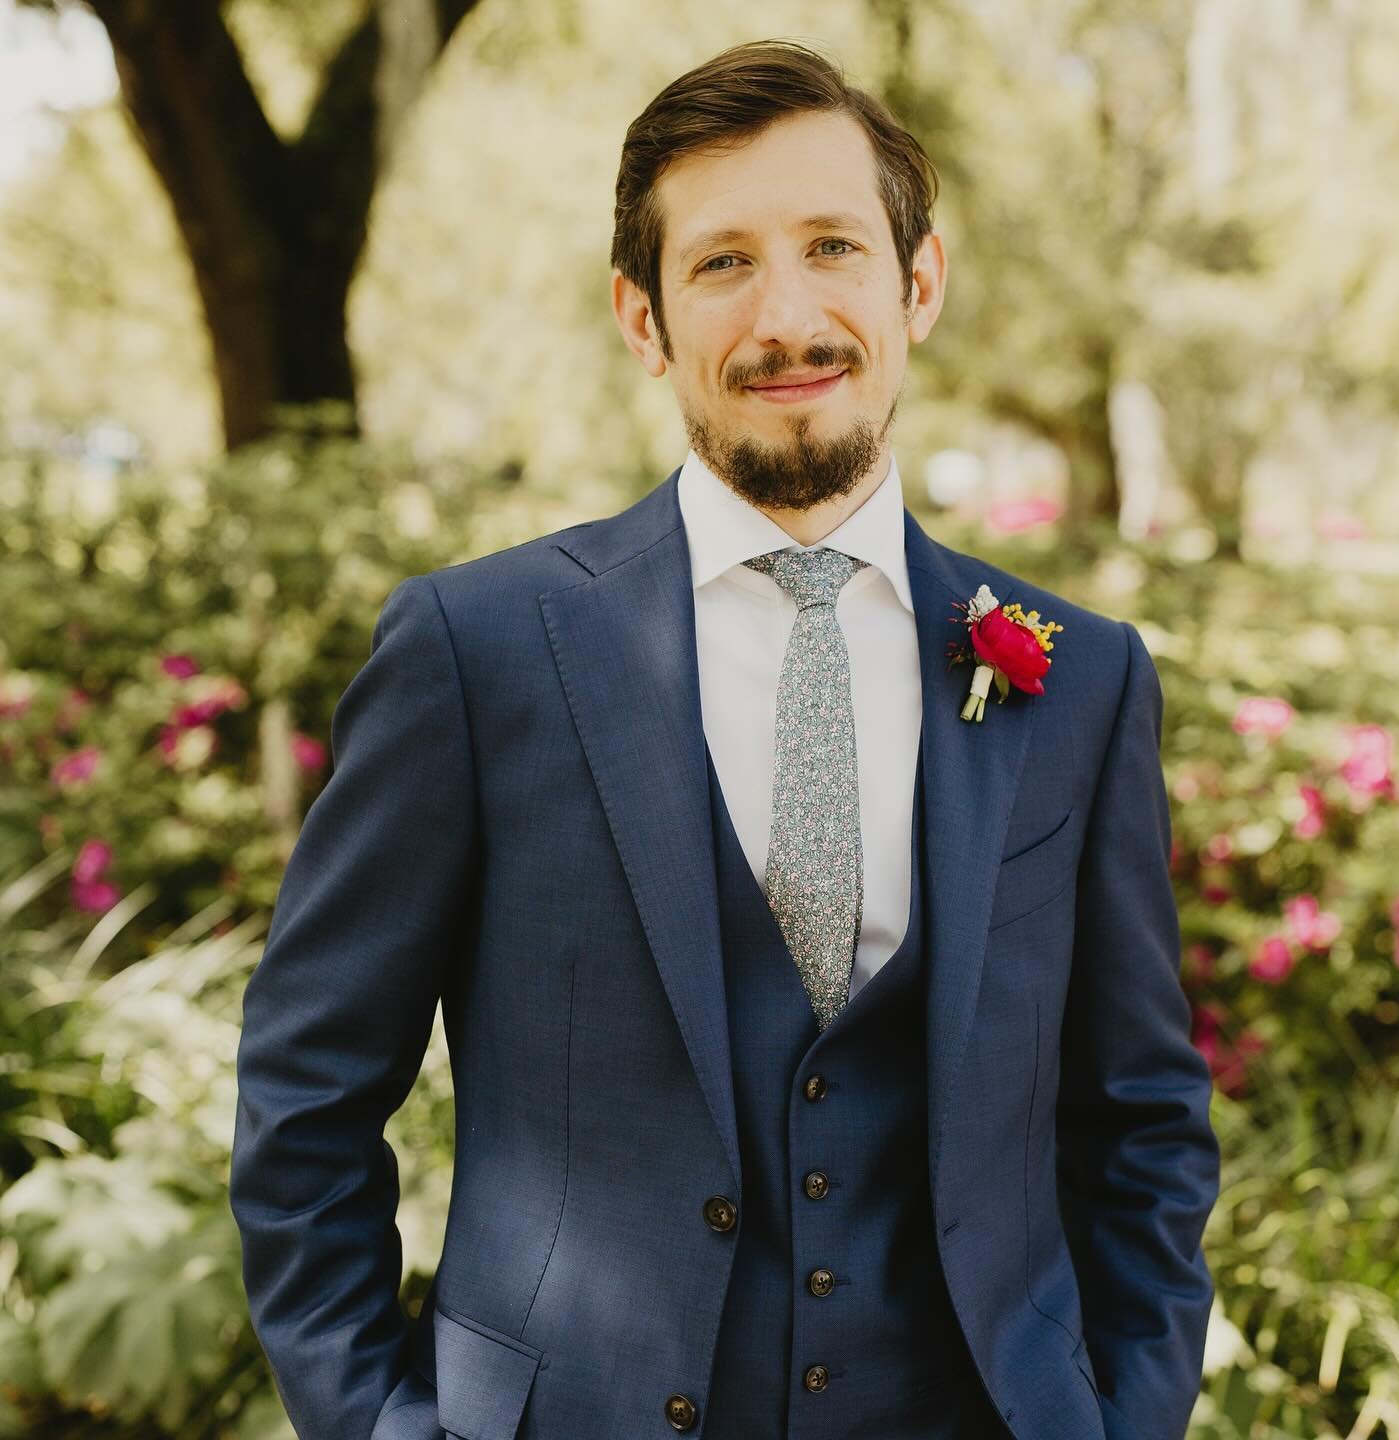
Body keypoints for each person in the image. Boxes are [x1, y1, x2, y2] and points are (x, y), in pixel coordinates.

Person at [229, 38, 1220, 1440]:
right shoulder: (479, 652)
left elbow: (1143, 1122)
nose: (790, 314)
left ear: (916, 284)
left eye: (832, 247)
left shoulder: (1084, 678)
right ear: (643, 320)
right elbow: (307, 1094)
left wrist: (1125, 1415)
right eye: (723, 262)